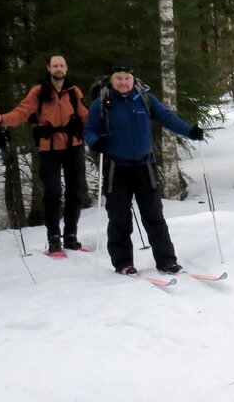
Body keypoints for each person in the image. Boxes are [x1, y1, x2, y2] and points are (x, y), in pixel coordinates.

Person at [83, 61, 204, 275]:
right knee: (119, 217)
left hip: (144, 165)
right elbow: (90, 130)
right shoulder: (101, 103)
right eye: (119, 78)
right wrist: (95, 142)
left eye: (127, 78)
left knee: (154, 215)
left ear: (133, 79)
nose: (123, 82)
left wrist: (190, 131)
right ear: (112, 80)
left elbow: (167, 117)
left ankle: (167, 261)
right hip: (116, 168)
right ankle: (123, 263)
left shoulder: (145, 99)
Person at [0, 54, 88, 254]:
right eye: (55, 66)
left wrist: (103, 128)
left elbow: (85, 115)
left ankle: (70, 236)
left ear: (66, 68)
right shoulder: (39, 91)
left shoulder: (73, 91)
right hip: (49, 149)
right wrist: (2, 120)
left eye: (61, 65)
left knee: (75, 192)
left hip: (73, 146)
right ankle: (53, 239)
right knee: (52, 194)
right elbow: (22, 112)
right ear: (49, 68)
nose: (58, 69)